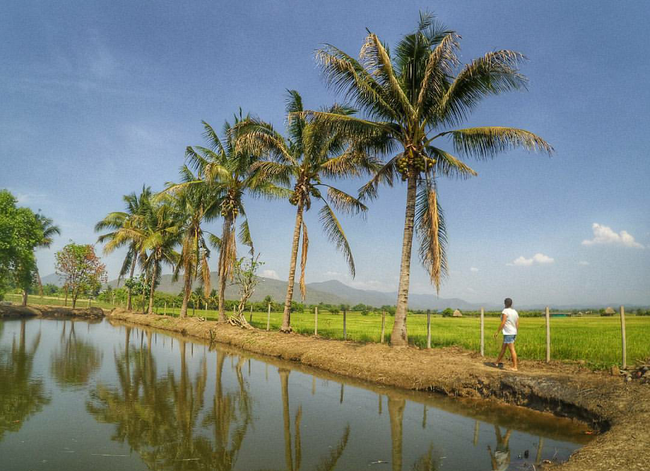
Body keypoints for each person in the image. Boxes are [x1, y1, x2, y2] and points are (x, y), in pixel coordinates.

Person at [494, 298, 519, 371]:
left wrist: (497, 331)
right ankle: (497, 362)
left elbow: (503, 322)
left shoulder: (505, 311)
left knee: (512, 350)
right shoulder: (515, 312)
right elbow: (517, 323)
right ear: (511, 303)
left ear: (505, 303)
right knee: (503, 348)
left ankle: (515, 367)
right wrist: (516, 332)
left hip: (508, 333)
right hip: (513, 332)